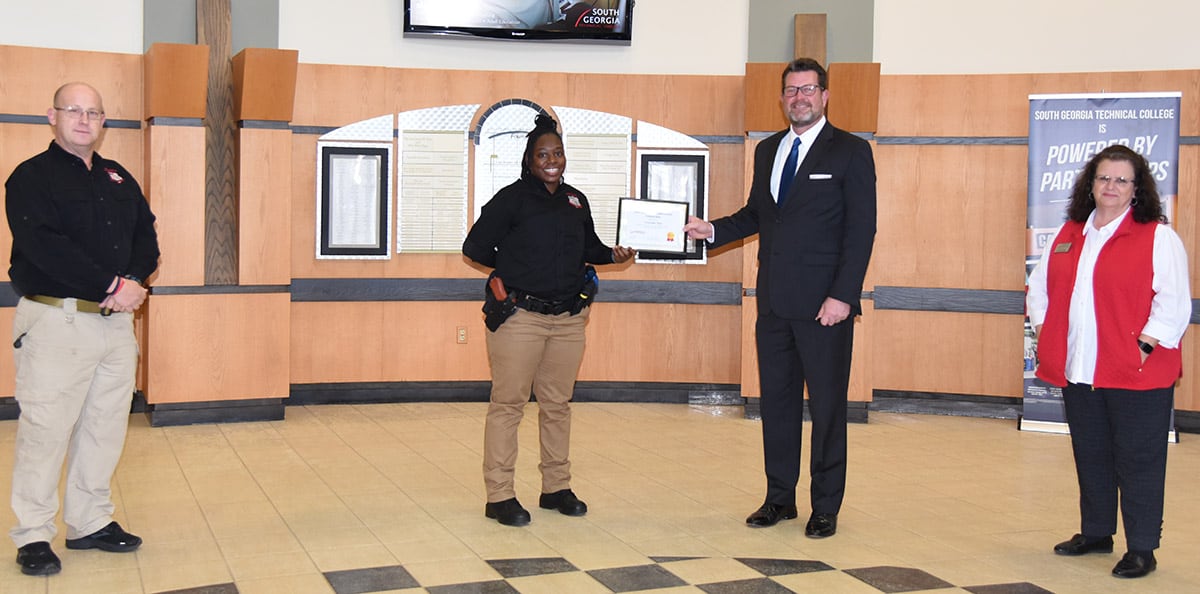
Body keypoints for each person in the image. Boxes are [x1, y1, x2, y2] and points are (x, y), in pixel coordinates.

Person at [683, 58, 877, 538]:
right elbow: (758, 215)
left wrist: (843, 297)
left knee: (829, 409)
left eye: (808, 89)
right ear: (782, 97)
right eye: (791, 90)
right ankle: (779, 498)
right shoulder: (769, 150)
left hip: (824, 310)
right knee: (778, 405)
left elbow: (861, 231)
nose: (799, 98)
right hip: (771, 305)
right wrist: (712, 230)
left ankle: (826, 505)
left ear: (825, 95)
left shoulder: (851, 151)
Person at [5, 82, 160, 576]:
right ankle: (32, 534)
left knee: (103, 429)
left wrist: (133, 281)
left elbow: (146, 235)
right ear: (51, 116)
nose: (83, 119)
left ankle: (90, 522)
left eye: (93, 112)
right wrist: (113, 282)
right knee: (46, 431)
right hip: (57, 322)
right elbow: (44, 245)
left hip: (114, 326)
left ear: (103, 122)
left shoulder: (117, 177)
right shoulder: (32, 177)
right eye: (73, 110)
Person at [1026, 144, 1190, 579]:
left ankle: (1141, 548)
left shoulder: (1157, 236)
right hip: (1080, 370)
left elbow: (1173, 304)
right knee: (1092, 453)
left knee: (1138, 460)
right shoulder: (1069, 233)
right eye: (1103, 178)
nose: (1110, 186)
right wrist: (1045, 333)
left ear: (1137, 189)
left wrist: (1144, 346)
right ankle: (1097, 532)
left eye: (1121, 180)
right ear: (1090, 184)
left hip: (1136, 373)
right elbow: (1040, 289)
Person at [463, 114, 634, 526]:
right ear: (529, 159)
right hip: (521, 317)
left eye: (557, 153)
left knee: (558, 405)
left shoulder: (576, 200)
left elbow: (589, 246)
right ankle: (499, 494)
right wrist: (514, 266)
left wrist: (612, 255)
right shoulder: (511, 199)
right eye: (543, 154)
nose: (552, 160)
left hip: (569, 320)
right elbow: (474, 247)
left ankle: (555, 487)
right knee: (508, 405)